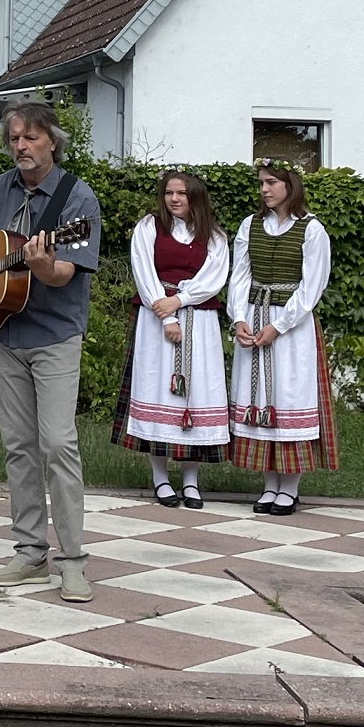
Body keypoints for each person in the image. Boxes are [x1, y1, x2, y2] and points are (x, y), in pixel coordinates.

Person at [0, 101, 102, 602]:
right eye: (13, 139)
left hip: (54, 334)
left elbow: (63, 275)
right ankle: (30, 553)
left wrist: (43, 263)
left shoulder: (78, 201)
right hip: (4, 332)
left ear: (52, 140)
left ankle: (72, 560)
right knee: (18, 447)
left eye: (30, 138)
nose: (21, 147)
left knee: (57, 443)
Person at [112, 168, 231, 508]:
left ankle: (191, 481)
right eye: (169, 193)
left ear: (196, 198)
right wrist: (167, 315)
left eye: (182, 194)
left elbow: (213, 278)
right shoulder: (149, 227)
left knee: (194, 396)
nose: (175, 199)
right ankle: (161, 479)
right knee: (157, 390)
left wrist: (179, 301)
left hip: (200, 322)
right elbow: (144, 271)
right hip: (156, 318)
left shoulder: (215, 237)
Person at [228, 160, 338, 515]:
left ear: (290, 185)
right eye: (261, 183)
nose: (264, 189)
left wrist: (279, 326)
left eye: (271, 182)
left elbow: (311, 287)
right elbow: (240, 276)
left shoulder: (311, 230)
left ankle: (289, 487)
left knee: (289, 395)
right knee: (257, 395)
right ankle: (269, 485)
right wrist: (239, 318)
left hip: (292, 326)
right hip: (255, 316)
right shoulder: (250, 225)